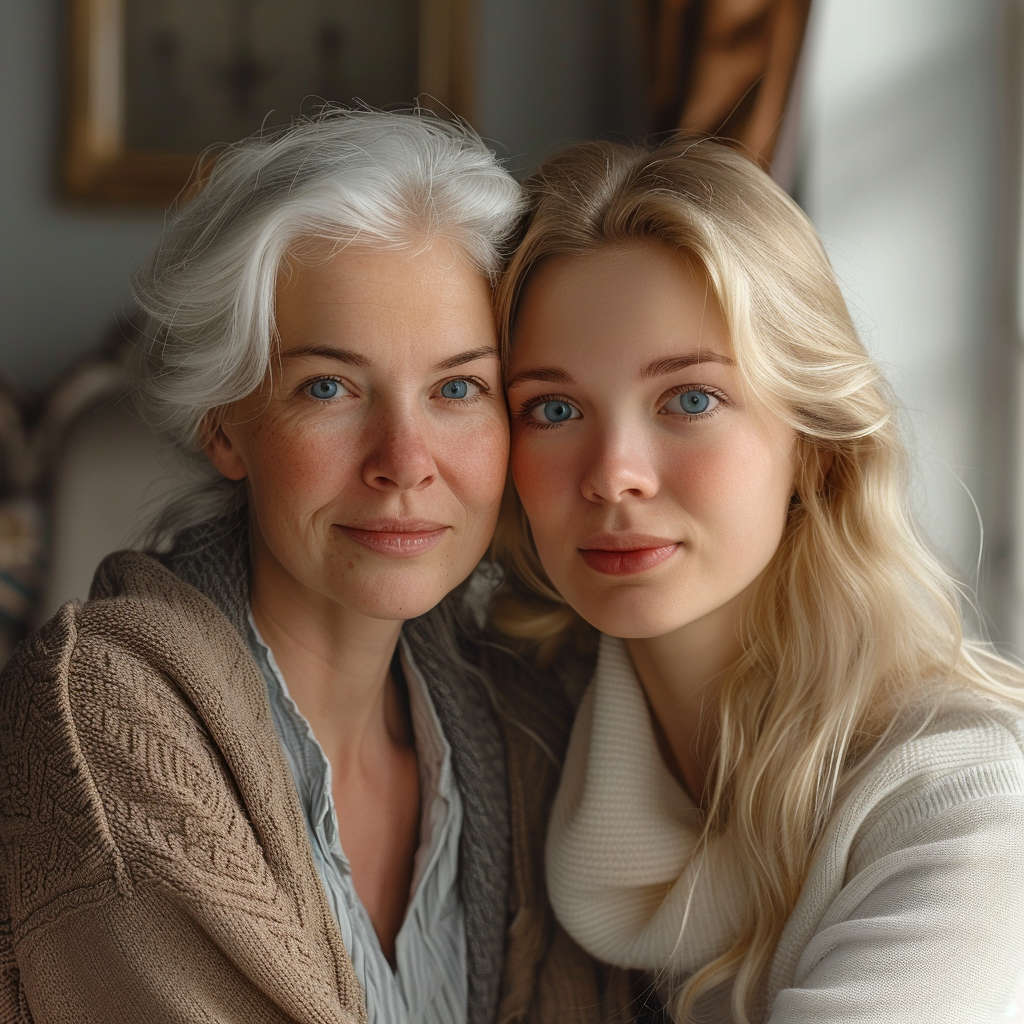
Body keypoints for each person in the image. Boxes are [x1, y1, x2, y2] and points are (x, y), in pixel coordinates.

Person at [0, 110, 636, 1024]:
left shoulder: (527, 732)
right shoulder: (98, 717)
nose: (405, 459)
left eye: (459, 388)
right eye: (329, 387)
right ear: (224, 423)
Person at [490, 136, 1024, 1023]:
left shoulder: (963, 806)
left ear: (813, 446)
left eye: (689, 400)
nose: (613, 473)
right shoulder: (511, 733)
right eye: (553, 408)